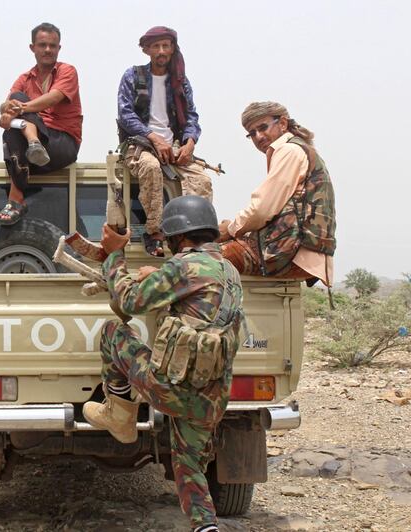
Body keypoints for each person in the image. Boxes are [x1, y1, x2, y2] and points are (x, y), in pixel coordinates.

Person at [83, 195, 243, 532]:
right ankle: (206, 527)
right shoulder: (228, 270)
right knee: (189, 467)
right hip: (210, 398)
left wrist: (114, 255)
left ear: (178, 238)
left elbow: (129, 300)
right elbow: (195, 296)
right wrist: (156, 274)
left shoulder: (183, 267)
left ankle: (119, 415)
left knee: (114, 330)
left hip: (170, 389)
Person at [117, 26, 213, 256]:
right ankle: (154, 233)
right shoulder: (133, 76)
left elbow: (192, 116)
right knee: (151, 168)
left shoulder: (180, 81)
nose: (161, 50)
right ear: (146, 49)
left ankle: (194, 238)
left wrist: (189, 143)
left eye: (166, 45)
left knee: (202, 179)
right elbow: (126, 114)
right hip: (140, 144)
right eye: (156, 46)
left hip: (175, 146)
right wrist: (153, 138)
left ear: (172, 49)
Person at [217, 101, 336, 286]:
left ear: (282, 123)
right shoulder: (301, 149)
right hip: (305, 253)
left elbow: (262, 209)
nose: (258, 136)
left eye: (262, 127)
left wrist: (230, 229)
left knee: (203, 261)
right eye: (252, 133)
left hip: (290, 253)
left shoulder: (288, 150)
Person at [0, 22, 82, 225]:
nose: (48, 50)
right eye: (42, 45)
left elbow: (52, 98)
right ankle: (33, 146)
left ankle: (15, 196)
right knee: (12, 126)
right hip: (34, 151)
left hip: (62, 142)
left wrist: (19, 110)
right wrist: (7, 112)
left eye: (53, 45)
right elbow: (6, 104)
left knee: (21, 113)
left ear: (59, 48)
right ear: (32, 48)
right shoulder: (25, 78)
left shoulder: (67, 71)